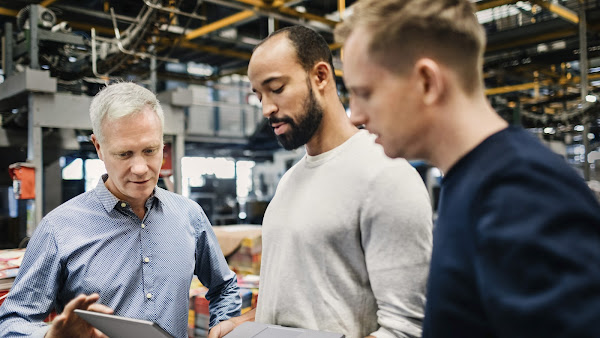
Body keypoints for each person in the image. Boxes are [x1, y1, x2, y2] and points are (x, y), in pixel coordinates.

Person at [335, 0, 600, 337]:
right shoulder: (472, 182)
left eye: (364, 93)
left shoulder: (520, 193)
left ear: (427, 82)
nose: (354, 115)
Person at [210, 26, 433, 338]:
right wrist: (245, 323)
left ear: (320, 77)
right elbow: (296, 301)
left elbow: (409, 329)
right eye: (258, 95)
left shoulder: (385, 175)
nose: (267, 109)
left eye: (276, 89)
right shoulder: (290, 181)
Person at [0, 82, 241, 338]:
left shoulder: (189, 216)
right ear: (99, 148)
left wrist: (223, 327)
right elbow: (13, 321)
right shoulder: (58, 229)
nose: (140, 168)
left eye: (150, 150)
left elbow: (224, 287)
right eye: (124, 154)